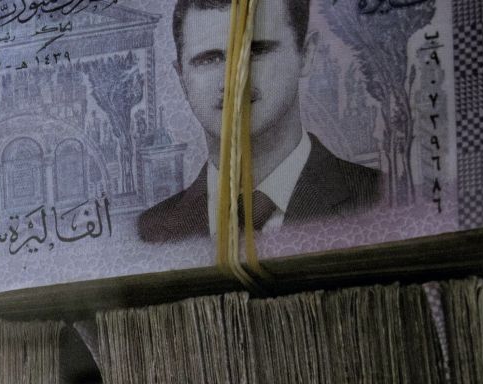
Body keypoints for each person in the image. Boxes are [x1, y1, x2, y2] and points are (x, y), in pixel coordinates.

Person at [138, 0, 383, 243]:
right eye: (209, 59)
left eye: (255, 51)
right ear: (182, 78)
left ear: (306, 54)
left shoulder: (380, 196)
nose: (232, 81)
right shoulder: (150, 232)